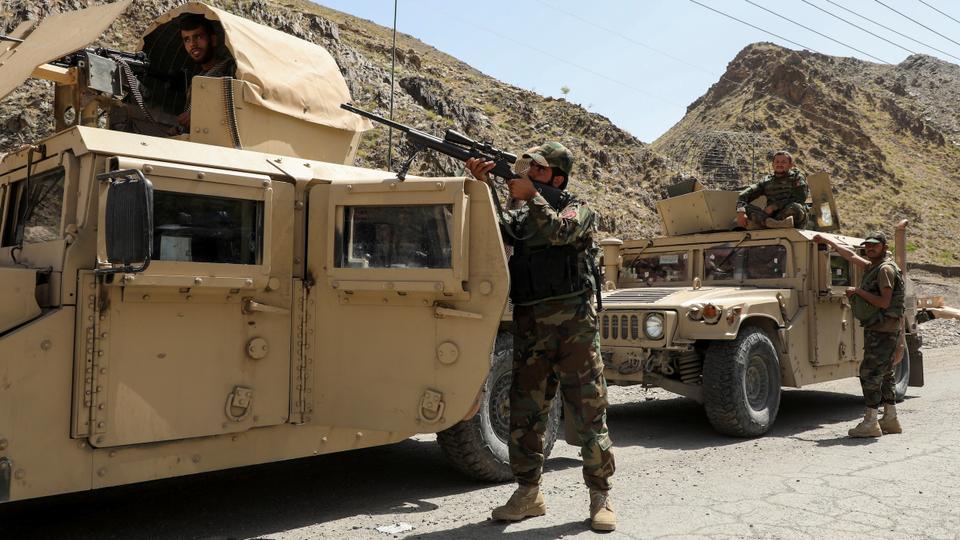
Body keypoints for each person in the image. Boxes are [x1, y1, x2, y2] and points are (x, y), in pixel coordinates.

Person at [466, 143, 616, 532]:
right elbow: (498, 233)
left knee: (588, 411)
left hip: (575, 328)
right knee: (525, 414)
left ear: (558, 178)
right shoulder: (527, 214)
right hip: (531, 325)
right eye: (527, 169)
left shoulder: (578, 209)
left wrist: (530, 197)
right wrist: (480, 185)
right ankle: (528, 494)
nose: (529, 174)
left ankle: (600, 496)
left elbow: (559, 231)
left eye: (539, 171)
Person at [813, 231, 905, 437]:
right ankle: (890, 418)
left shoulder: (885, 270)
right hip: (884, 330)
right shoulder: (874, 266)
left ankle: (871, 422)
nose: (870, 248)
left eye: (874, 245)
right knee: (886, 373)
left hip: (882, 331)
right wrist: (827, 240)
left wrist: (857, 291)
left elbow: (884, 302)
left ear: (883, 246)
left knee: (869, 374)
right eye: (868, 246)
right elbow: (851, 256)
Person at [175, 14, 236, 133]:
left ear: (213, 40)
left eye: (197, 37)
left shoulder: (232, 69)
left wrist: (199, 116)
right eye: (187, 39)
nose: (192, 44)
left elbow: (237, 109)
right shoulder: (196, 82)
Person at [736, 151, 810, 229]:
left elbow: (800, 198)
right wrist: (741, 212)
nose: (779, 164)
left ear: (790, 165)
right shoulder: (766, 181)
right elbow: (744, 195)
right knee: (746, 207)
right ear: (773, 165)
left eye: (783, 162)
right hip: (771, 218)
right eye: (777, 162)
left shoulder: (797, 177)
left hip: (788, 216)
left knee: (797, 208)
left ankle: (769, 224)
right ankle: (771, 223)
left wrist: (774, 206)